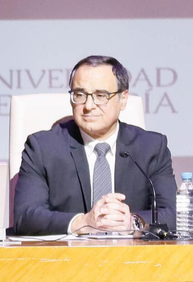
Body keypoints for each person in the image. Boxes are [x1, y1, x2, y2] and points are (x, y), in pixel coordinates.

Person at [12, 55, 176, 236]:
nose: (89, 106)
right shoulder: (42, 148)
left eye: (100, 96)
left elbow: (173, 214)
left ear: (123, 99)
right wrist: (83, 222)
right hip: (65, 259)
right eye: (79, 95)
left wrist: (133, 222)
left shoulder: (151, 147)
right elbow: (25, 216)